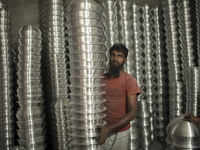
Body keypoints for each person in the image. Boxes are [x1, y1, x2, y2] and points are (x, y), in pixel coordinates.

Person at [97, 43, 141, 150]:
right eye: (113, 55)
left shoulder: (129, 80)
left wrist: (109, 129)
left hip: (120, 134)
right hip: (101, 131)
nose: (115, 59)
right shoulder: (101, 79)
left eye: (120, 56)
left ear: (125, 60)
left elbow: (133, 112)